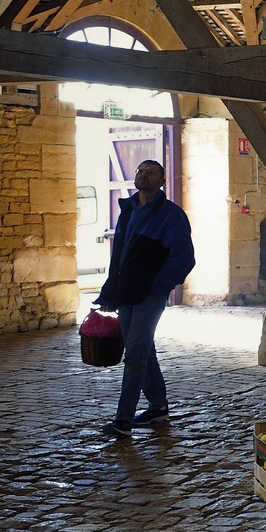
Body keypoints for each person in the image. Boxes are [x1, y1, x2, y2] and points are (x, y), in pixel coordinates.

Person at [92, 159, 195, 438]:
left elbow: (183, 259)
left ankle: (123, 420)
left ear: (162, 181)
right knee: (143, 349)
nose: (143, 175)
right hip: (126, 293)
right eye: (140, 170)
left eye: (150, 172)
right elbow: (120, 256)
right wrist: (110, 291)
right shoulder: (128, 210)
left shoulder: (171, 216)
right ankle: (158, 405)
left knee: (135, 353)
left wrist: (158, 287)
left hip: (149, 296)